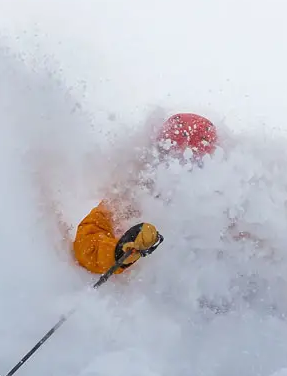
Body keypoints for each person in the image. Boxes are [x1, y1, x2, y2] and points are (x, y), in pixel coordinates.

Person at [72, 113, 218, 275]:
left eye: (193, 163)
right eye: (169, 158)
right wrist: (119, 250)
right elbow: (87, 243)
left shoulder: (225, 207)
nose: (179, 171)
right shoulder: (133, 196)